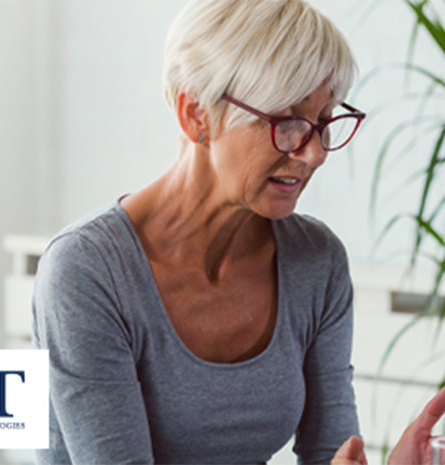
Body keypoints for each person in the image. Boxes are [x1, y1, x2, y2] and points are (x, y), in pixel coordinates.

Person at [32, 0, 366, 462]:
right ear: (196, 115)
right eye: (287, 122)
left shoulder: (316, 260)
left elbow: (333, 454)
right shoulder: (89, 272)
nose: (313, 154)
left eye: (324, 122)